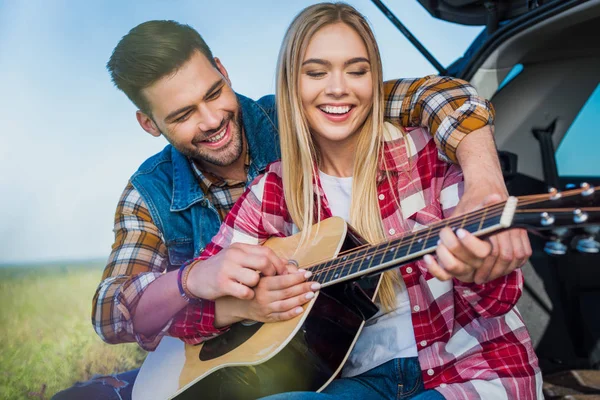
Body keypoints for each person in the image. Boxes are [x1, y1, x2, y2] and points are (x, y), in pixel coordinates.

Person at [53, 11, 529, 400]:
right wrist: (202, 284)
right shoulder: (155, 192)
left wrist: (487, 191)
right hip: (263, 362)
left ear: (223, 70)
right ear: (148, 123)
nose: (213, 119)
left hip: (360, 356)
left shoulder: (310, 115)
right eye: (181, 115)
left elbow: (437, 96)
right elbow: (115, 311)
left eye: (215, 93)